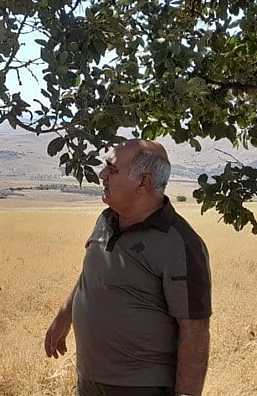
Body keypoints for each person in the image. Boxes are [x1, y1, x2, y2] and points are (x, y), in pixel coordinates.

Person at [44, 140, 211, 396]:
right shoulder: (106, 219)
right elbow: (93, 272)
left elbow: (195, 330)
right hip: (89, 379)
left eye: (111, 169)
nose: (102, 175)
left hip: (140, 387)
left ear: (143, 183)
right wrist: (63, 317)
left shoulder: (180, 243)